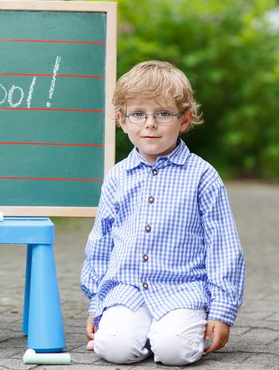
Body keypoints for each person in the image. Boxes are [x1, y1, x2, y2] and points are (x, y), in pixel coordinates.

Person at [80, 60, 245, 366]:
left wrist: (222, 311)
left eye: (163, 113)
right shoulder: (117, 177)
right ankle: (134, 332)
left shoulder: (202, 177)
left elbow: (223, 247)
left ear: (184, 119)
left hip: (182, 291)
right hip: (127, 291)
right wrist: (98, 302)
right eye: (138, 114)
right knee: (115, 348)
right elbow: (101, 242)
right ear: (122, 120)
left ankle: (164, 334)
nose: (150, 124)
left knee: (174, 352)